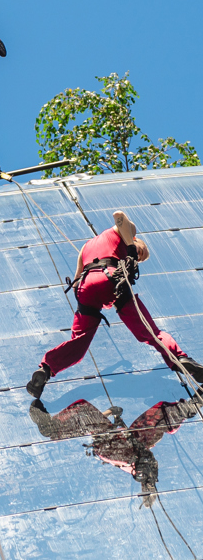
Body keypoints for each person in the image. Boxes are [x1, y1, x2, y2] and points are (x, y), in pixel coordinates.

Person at [26, 210, 203, 399]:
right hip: (111, 278)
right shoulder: (124, 231)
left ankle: (45, 370)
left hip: (86, 288)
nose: (139, 258)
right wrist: (132, 249)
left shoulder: (86, 247)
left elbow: (77, 281)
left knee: (78, 346)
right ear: (136, 240)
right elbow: (119, 215)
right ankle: (180, 358)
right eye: (142, 253)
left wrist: (89, 307)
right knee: (151, 332)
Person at [29, 392, 203, 507]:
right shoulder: (137, 451)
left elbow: (138, 463)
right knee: (148, 426)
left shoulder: (125, 456)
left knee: (85, 411)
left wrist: (147, 486)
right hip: (121, 446)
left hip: (115, 448)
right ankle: (189, 407)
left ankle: (52, 429)